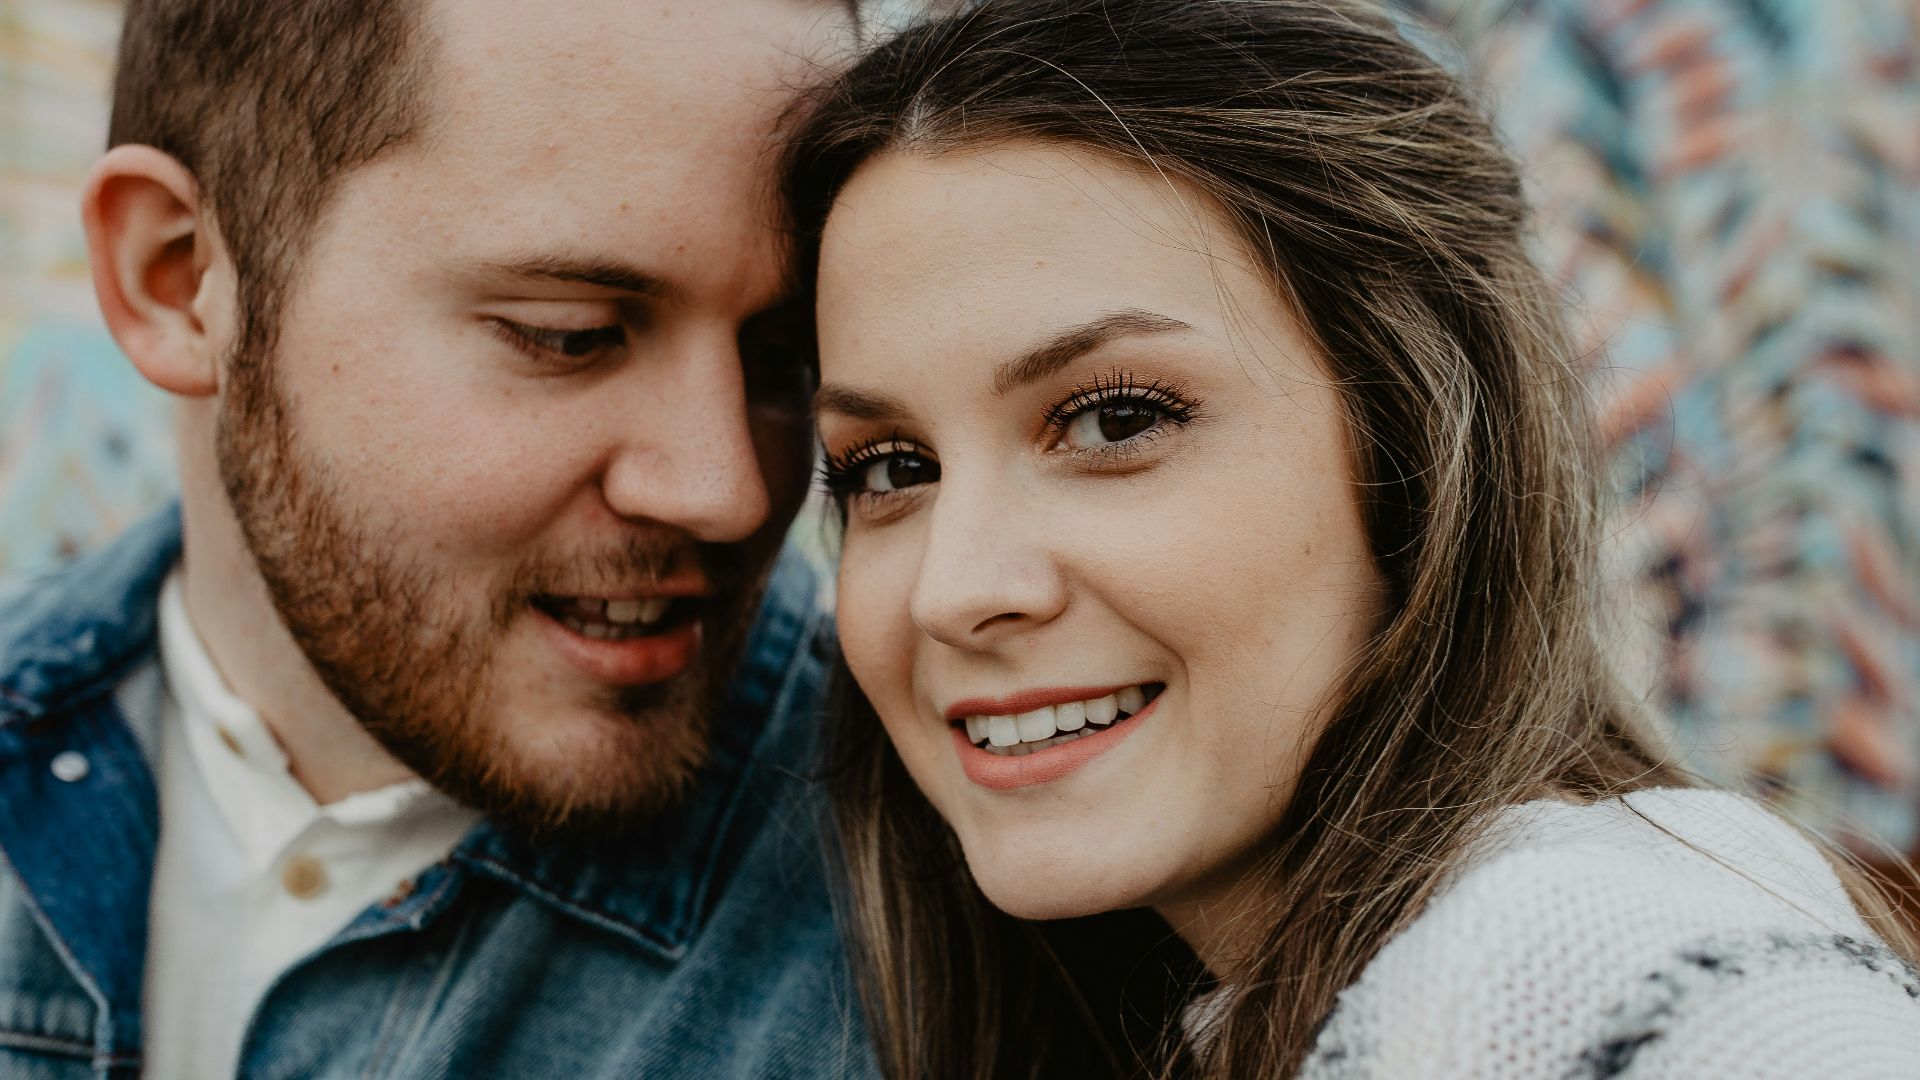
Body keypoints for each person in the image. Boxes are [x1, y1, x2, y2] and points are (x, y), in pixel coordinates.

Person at [783, 1, 1920, 1076]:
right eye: (891, 470)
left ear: (1420, 445)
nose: (954, 589)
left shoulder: (1597, 956)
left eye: (1114, 420)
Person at [0, 0, 875, 1076]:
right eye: (571, 336)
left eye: (786, 353)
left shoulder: (944, 940)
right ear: (180, 278)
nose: (728, 491)